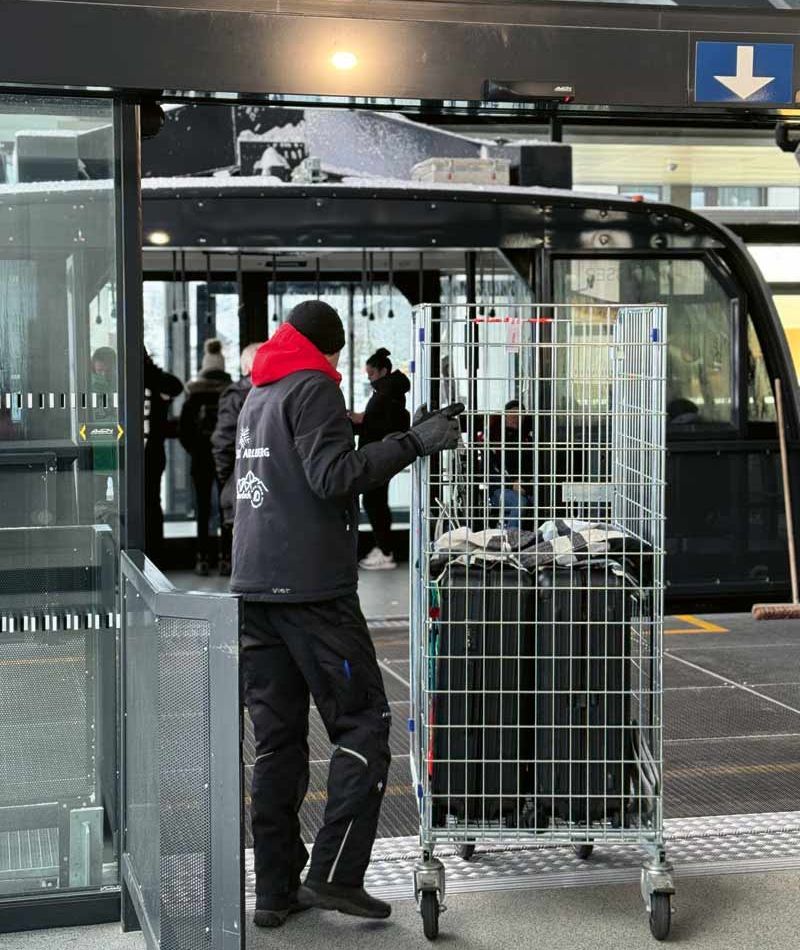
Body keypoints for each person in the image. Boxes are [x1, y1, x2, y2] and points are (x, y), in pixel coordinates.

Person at [231, 300, 462, 929]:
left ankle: (275, 889)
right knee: (363, 723)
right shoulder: (313, 388)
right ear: (331, 349)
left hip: (255, 592)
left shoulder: (261, 391)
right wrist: (414, 442)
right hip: (313, 594)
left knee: (278, 743)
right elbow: (334, 477)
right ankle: (334, 875)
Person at [349, 347, 411, 571]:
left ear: (383, 371)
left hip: (377, 455)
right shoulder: (389, 391)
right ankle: (384, 548)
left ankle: (385, 551)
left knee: (374, 502)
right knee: (375, 501)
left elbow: (381, 422)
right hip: (381, 454)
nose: (369, 379)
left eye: (371, 375)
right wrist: (361, 419)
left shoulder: (386, 393)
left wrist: (360, 421)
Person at [178, 338, 232, 575]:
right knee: (227, 508)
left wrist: (196, 448)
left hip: (200, 456)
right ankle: (226, 557)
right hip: (226, 458)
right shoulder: (231, 392)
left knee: (202, 507)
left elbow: (183, 431)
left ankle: (202, 557)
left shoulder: (193, 392)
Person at [210, 341, 263, 575]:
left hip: (242, 483)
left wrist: (227, 480)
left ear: (244, 367)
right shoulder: (285, 390)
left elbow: (224, 441)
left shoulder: (236, 394)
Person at [143, 350, 183, 562]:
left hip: (148, 455)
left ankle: (152, 556)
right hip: (152, 453)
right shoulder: (157, 382)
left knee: (149, 504)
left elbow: (175, 386)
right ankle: (153, 556)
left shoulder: (153, 381)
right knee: (151, 503)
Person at [484, 399, 534, 529]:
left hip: (524, 488)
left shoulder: (528, 441)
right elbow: (488, 473)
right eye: (512, 414)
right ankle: (512, 540)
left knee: (541, 502)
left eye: (520, 415)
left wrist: (524, 485)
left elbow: (533, 469)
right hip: (498, 490)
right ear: (505, 416)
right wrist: (511, 484)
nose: (515, 418)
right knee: (519, 503)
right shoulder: (493, 439)